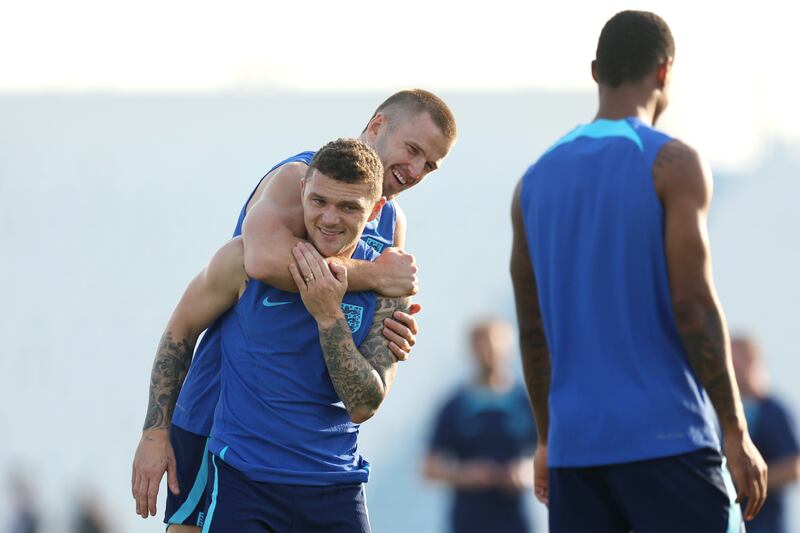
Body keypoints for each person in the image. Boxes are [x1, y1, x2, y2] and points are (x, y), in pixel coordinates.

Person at [131, 89, 457, 531]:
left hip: (313, 455)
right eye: (413, 150)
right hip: (218, 415)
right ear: (378, 126)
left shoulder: (391, 220)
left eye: (430, 165)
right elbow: (263, 260)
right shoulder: (299, 176)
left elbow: (375, 318)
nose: (416, 170)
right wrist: (375, 277)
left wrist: (393, 330)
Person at [510, 10, 767, 532]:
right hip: (667, 439)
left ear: (595, 71)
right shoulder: (673, 164)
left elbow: (533, 331)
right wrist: (735, 430)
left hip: (575, 452)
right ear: (665, 72)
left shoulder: (533, 182)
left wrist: (545, 438)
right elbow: (693, 305)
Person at [424, 318, 537, 533]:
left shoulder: (526, 402)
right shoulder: (456, 404)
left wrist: (524, 472)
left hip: (515, 521)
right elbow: (429, 467)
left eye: (495, 346)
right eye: (482, 345)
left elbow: (548, 454)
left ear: (509, 348)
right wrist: (465, 474)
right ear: (472, 349)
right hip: (468, 520)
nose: (489, 353)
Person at [731, 335, 800, 533]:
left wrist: (748, 484)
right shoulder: (732, 415)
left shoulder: (773, 411)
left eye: (734, 362)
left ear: (751, 361)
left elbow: (794, 467)